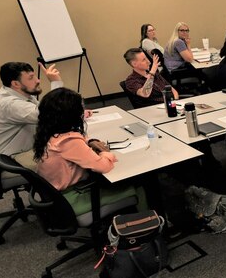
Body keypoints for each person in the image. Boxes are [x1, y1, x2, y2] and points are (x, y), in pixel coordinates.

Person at [33, 87, 146, 216]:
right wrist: (105, 153)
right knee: (141, 180)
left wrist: (89, 141)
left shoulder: (50, 131)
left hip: (55, 193)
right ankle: (147, 223)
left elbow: (76, 140)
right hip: (72, 196)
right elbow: (104, 166)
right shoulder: (68, 141)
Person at [0, 62, 67, 169]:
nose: (38, 80)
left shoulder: (19, 94)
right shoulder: (10, 104)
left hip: (10, 154)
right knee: (66, 160)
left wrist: (72, 111)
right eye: (31, 78)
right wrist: (56, 82)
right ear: (16, 84)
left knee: (65, 150)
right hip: (1, 164)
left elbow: (49, 112)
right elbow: (50, 115)